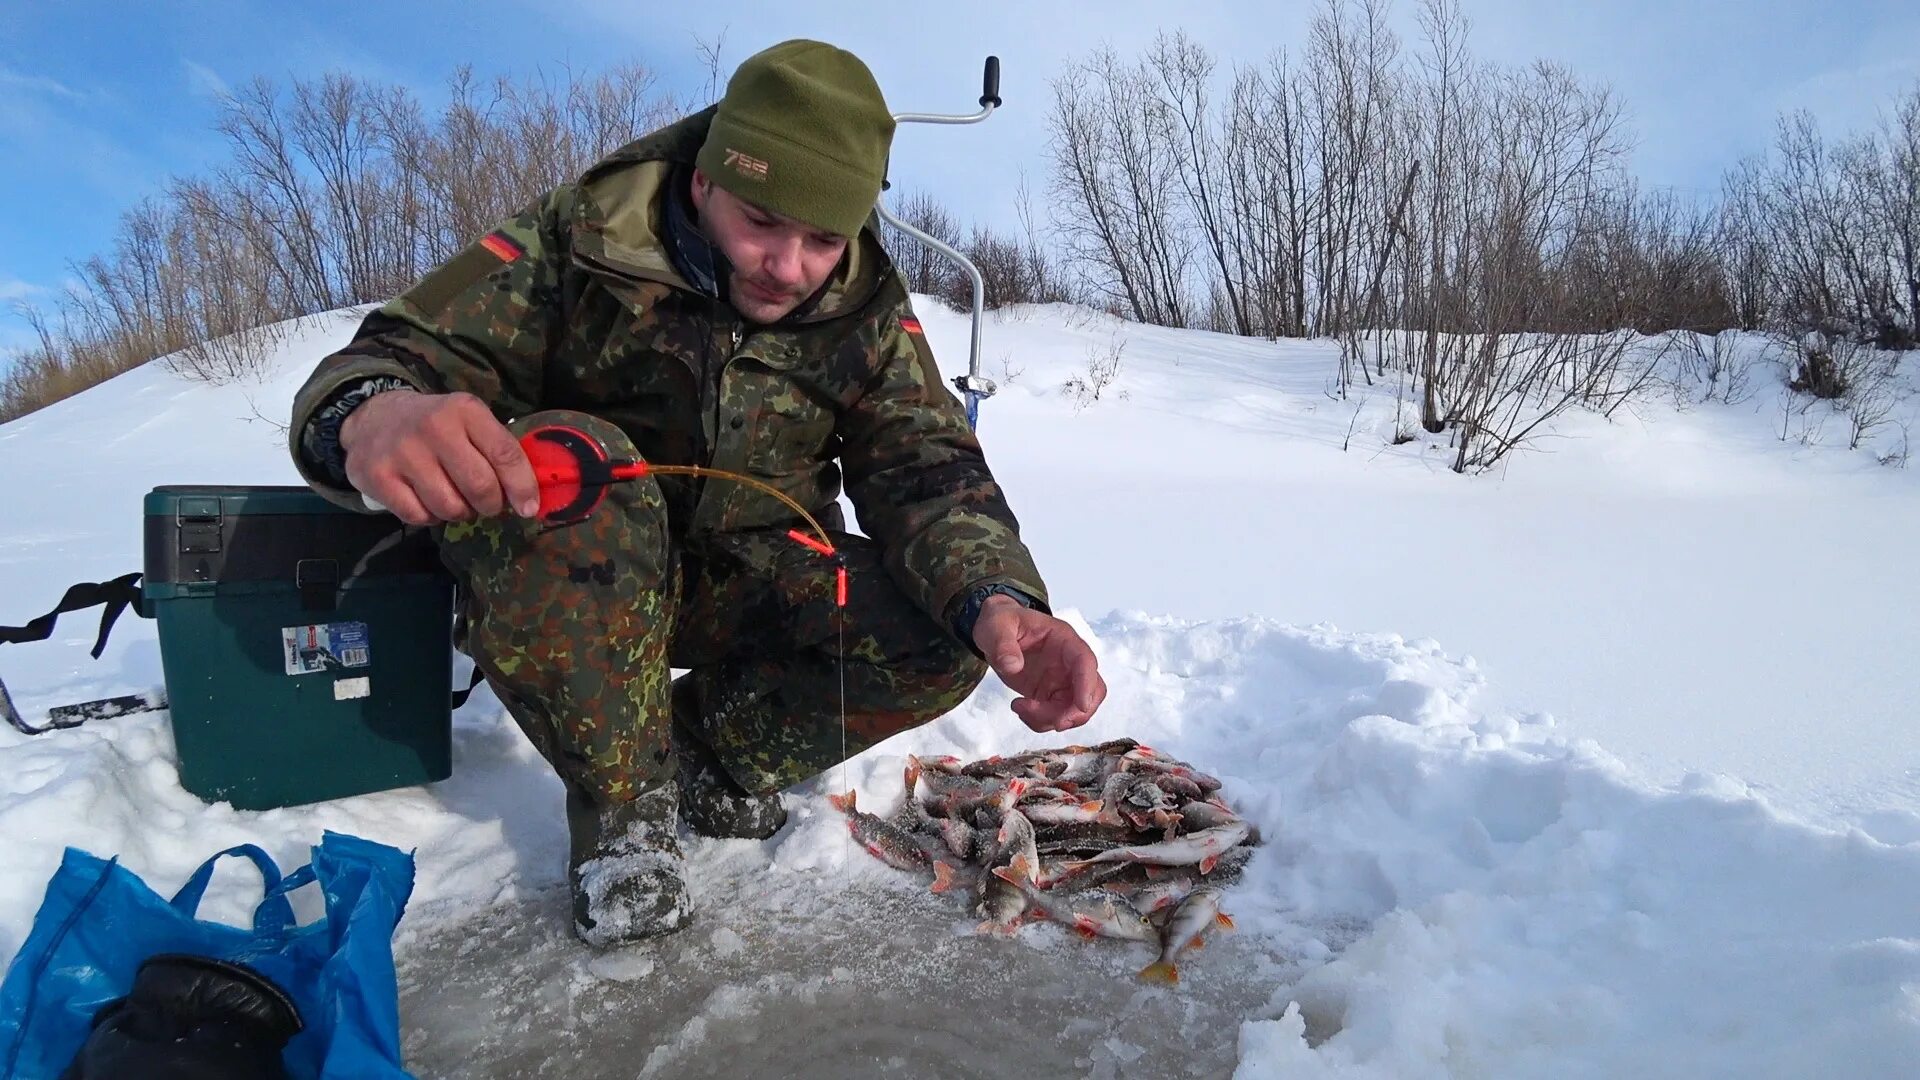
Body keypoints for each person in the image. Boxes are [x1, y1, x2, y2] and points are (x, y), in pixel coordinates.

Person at [286, 39, 1107, 948]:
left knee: (948, 635)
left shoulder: (864, 304)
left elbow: (927, 467)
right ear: (708, 178)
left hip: (748, 573)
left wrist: (1000, 600)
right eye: (762, 220)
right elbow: (383, 361)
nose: (788, 266)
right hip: (569, 575)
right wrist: (374, 414)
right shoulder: (575, 240)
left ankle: (706, 762)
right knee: (585, 459)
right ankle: (624, 811)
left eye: (824, 240)